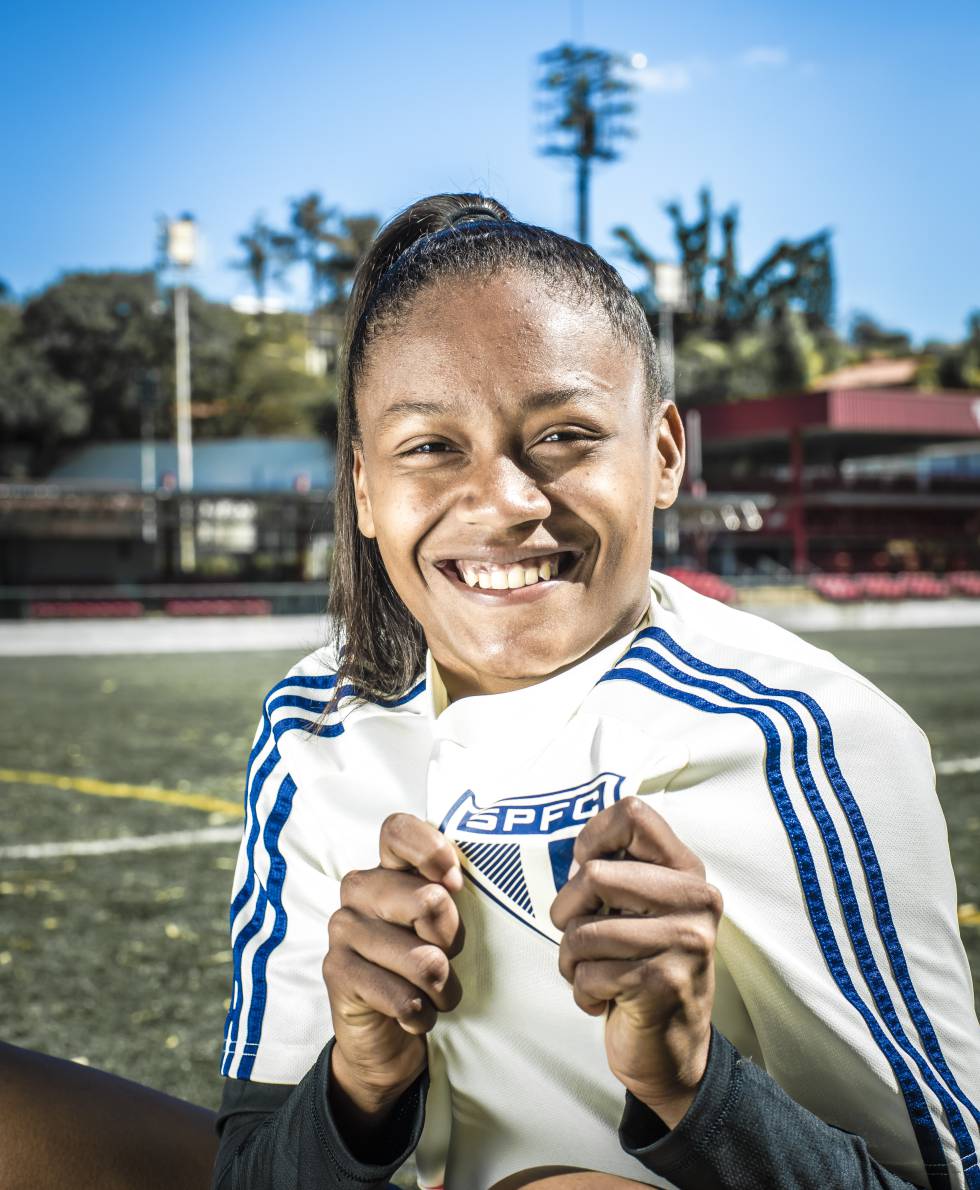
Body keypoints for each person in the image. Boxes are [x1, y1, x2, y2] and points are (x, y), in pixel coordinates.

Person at [208, 193, 979, 1190]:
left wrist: (693, 1083)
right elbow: (252, 1172)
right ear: (361, 487)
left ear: (661, 454)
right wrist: (361, 1078)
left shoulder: (808, 737)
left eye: (565, 434)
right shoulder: (314, 727)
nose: (505, 500)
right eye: (430, 446)